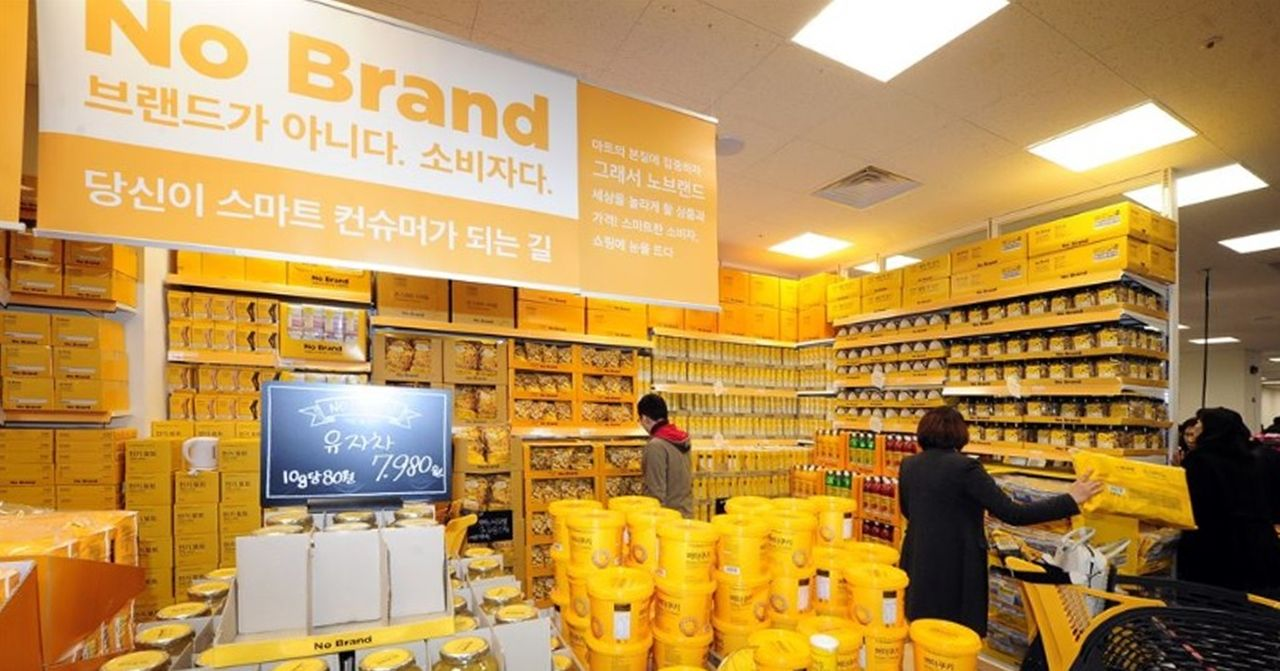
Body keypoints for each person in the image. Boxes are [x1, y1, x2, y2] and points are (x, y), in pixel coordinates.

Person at [898, 406, 1102, 635]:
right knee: (955, 636)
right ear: (960, 434)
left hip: (918, 560)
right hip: (956, 565)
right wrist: (1070, 499)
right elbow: (1014, 514)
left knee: (925, 633)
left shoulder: (909, 465)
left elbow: (908, 511)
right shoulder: (966, 468)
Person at [1177, 407, 1280, 596]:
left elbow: (1192, 505)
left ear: (1212, 429)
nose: (1195, 428)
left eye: (1200, 423)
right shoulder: (1258, 458)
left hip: (1215, 548)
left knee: (1214, 611)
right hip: (1260, 545)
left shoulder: (1200, 461)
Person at [636, 393, 692, 518]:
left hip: (667, 522)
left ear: (645, 418)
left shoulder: (656, 446)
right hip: (684, 514)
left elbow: (654, 495)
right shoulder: (682, 439)